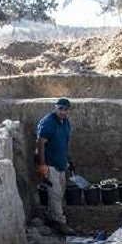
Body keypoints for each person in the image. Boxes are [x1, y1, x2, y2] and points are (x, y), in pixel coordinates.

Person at [36, 97, 75, 235]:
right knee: (55, 193)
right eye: (60, 109)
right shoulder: (48, 122)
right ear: (55, 108)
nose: (63, 112)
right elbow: (40, 143)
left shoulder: (65, 123)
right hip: (50, 164)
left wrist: (69, 160)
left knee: (61, 191)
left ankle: (54, 217)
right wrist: (42, 165)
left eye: (65, 109)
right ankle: (60, 223)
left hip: (61, 164)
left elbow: (65, 143)